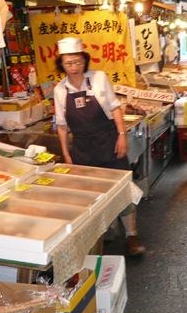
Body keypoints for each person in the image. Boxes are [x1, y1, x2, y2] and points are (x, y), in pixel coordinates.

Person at [53, 37, 145, 256]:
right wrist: (67, 156)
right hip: (82, 148)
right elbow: (62, 127)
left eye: (78, 62)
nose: (74, 67)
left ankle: (131, 236)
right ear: (61, 64)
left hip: (108, 141)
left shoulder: (99, 78)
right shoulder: (60, 90)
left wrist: (122, 136)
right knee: (91, 193)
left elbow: (114, 108)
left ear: (85, 60)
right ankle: (102, 235)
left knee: (122, 189)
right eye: (69, 63)